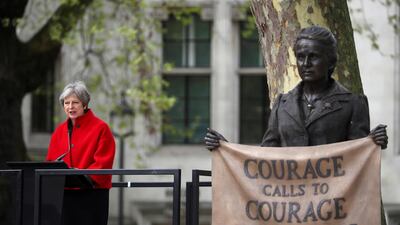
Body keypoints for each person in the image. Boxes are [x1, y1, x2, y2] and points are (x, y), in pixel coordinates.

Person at [205, 25, 388, 150]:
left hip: (332, 201)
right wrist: (228, 150)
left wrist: (371, 143)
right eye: (300, 57)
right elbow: (267, 155)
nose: (306, 63)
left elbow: (357, 158)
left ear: (330, 61)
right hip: (290, 202)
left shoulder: (353, 104)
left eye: (313, 57)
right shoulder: (282, 104)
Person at [46, 81, 115, 225]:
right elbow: (49, 164)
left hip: (91, 197)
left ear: (84, 104)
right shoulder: (58, 132)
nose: (70, 107)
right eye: (66, 103)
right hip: (63, 197)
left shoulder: (101, 128)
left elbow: (103, 164)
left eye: (75, 102)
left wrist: (80, 177)